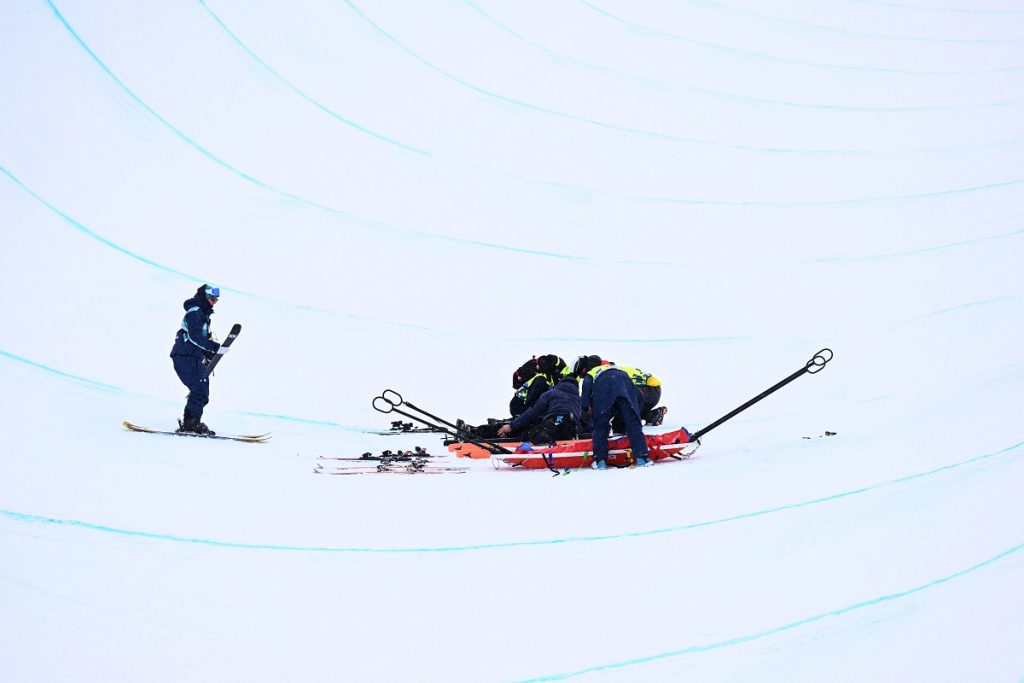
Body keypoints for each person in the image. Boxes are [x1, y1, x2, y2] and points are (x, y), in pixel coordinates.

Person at [575, 355, 651, 469]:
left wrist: (584, 408)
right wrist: (637, 411)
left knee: (600, 426)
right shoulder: (619, 369)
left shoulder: (593, 373)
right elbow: (638, 394)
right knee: (633, 424)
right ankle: (642, 458)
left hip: (603, 389)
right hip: (624, 385)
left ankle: (600, 461)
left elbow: (586, 386)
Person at [169, 284, 222, 435]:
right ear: (204, 297)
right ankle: (191, 423)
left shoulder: (202, 314)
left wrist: (208, 353)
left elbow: (199, 340)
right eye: (212, 298)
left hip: (193, 356)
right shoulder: (195, 312)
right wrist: (213, 347)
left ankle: (192, 421)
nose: (214, 301)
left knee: (202, 390)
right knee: (199, 389)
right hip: (184, 356)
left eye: (216, 299)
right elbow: (194, 336)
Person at [496, 370, 581, 444]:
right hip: (572, 429)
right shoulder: (579, 400)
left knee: (530, 436)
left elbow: (532, 412)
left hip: (555, 422)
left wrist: (512, 426)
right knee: (555, 432)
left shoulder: (551, 393)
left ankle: (532, 451)